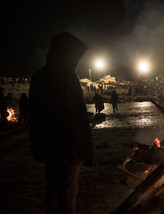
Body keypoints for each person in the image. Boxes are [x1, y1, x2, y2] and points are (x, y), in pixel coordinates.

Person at [28, 32, 96, 214]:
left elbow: (34, 117)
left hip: (48, 149)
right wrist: (88, 151)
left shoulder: (38, 77)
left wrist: (37, 148)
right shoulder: (66, 79)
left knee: (51, 192)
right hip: (67, 152)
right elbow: (76, 120)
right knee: (67, 197)